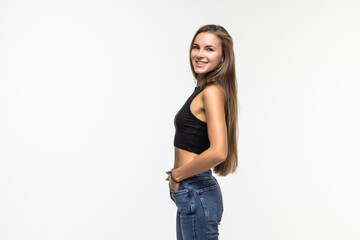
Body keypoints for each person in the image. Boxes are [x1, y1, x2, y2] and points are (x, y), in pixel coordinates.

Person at [165, 24, 238, 240]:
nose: (199, 54)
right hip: (190, 191)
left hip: (195, 190)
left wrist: (177, 174)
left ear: (223, 58)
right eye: (196, 47)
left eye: (209, 49)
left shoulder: (213, 92)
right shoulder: (203, 90)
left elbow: (218, 152)